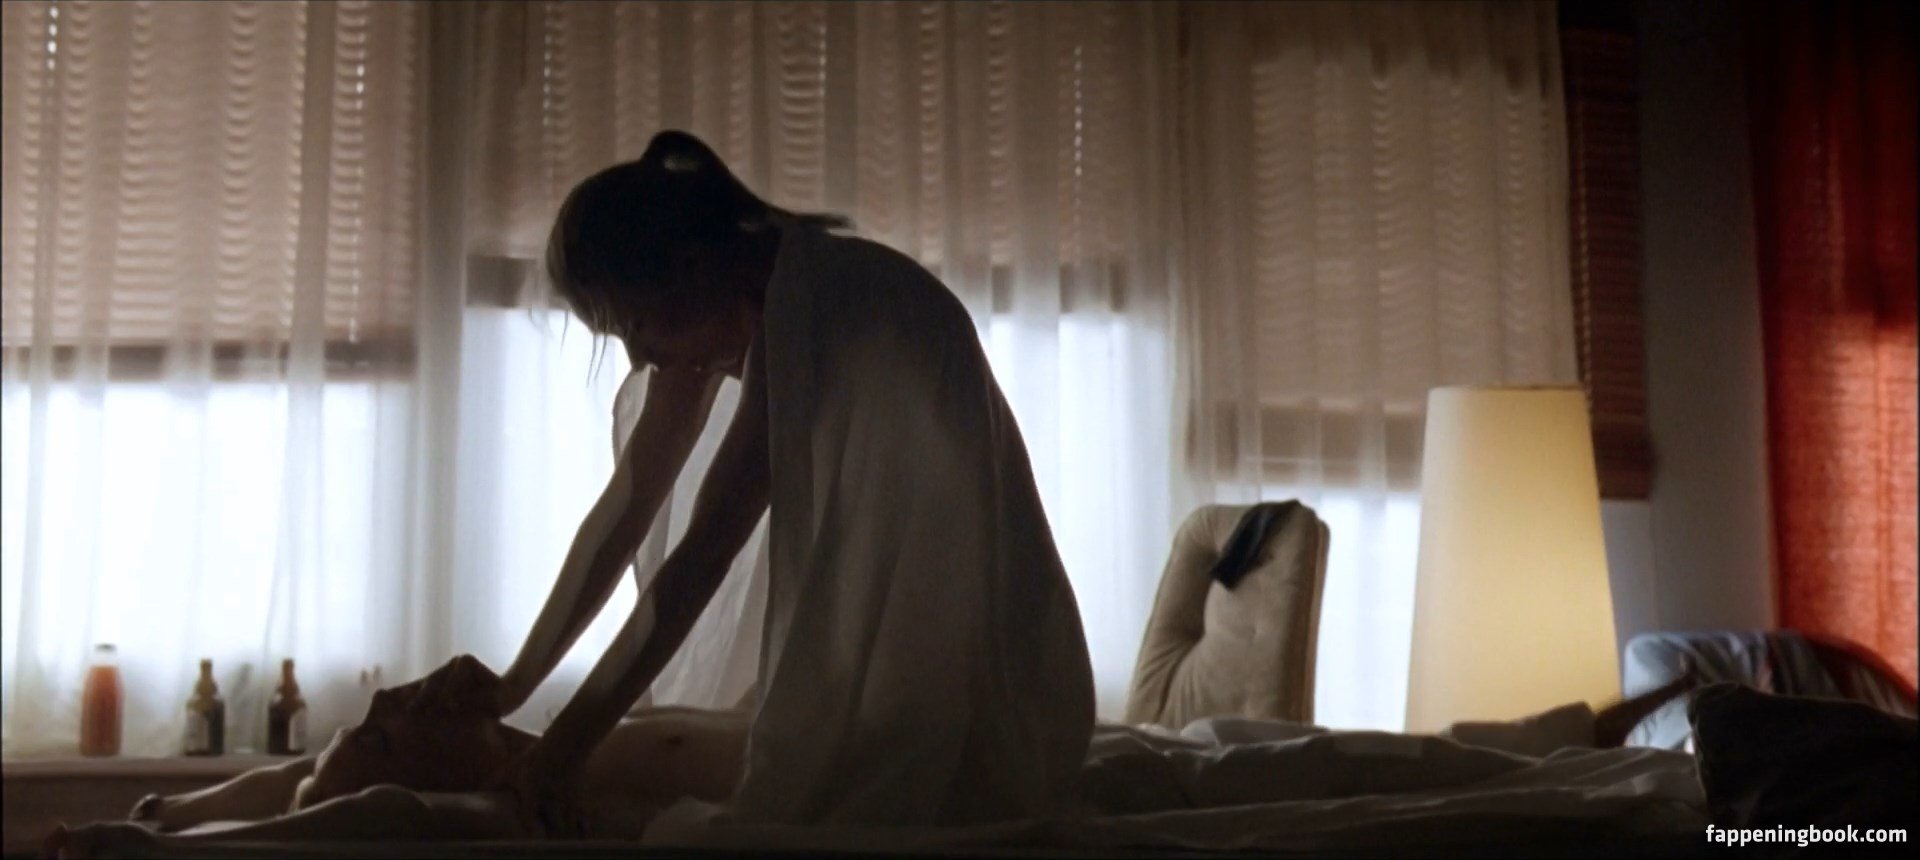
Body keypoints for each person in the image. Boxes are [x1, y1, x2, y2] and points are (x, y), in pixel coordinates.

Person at [483, 129, 1098, 836]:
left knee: (670, 788)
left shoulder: (824, 304)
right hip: (898, 673)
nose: (640, 357)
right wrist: (514, 684)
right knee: (642, 764)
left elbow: (699, 559)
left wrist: (560, 750)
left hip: (978, 690)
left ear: (689, 270)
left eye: (637, 326)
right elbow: (629, 502)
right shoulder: (733, 304)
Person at [45, 658, 1703, 858]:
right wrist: (168, 842)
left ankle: (1602, 754)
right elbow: (338, 805)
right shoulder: (489, 798)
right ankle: (1663, 791)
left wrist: (174, 812)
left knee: (1271, 750)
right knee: (1276, 788)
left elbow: (242, 795)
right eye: (397, 706)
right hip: (986, 787)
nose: (420, 687)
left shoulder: (529, 739)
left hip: (989, 739)